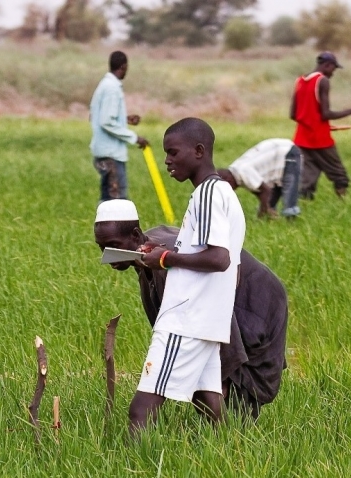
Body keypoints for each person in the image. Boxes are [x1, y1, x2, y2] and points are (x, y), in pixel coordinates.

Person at [94, 200, 287, 421]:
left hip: (256, 302)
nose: (107, 255)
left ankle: (232, 433)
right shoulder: (147, 251)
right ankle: (222, 433)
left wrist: (222, 375)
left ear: (136, 235)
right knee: (199, 372)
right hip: (221, 303)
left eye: (113, 246)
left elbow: (215, 314)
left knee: (236, 394)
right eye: (101, 248)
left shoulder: (169, 265)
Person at [126, 118, 245, 436]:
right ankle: (230, 454)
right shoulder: (223, 192)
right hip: (208, 319)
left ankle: (132, 466)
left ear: (199, 151)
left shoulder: (206, 195)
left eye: (173, 152)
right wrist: (166, 251)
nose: (167, 160)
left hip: (187, 318)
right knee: (209, 403)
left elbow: (219, 258)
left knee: (141, 410)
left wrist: (164, 259)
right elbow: (228, 264)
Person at [290, 52, 351, 200]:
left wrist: (313, 123)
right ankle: (344, 203)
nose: (333, 73)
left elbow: (293, 114)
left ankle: (304, 206)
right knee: (339, 174)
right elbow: (325, 114)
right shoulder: (323, 81)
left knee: (308, 176)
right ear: (327, 65)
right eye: (334, 68)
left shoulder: (299, 81)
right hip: (320, 139)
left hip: (301, 138)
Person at [89, 50, 149, 203]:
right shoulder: (112, 88)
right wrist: (135, 138)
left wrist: (124, 119)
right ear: (124, 66)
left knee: (107, 200)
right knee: (117, 202)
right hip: (111, 154)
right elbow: (106, 122)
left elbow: (98, 115)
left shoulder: (105, 85)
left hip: (104, 151)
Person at [216, 138, 302, 219]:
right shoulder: (236, 173)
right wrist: (266, 207)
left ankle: (291, 220)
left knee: (289, 191)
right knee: (270, 201)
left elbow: (266, 190)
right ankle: (271, 217)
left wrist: (262, 211)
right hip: (276, 160)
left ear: (229, 181)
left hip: (287, 151)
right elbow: (260, 191)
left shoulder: (243, 173)